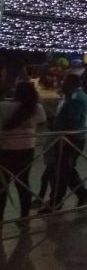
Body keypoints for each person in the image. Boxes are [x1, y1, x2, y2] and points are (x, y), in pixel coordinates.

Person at [41, 74, 87, 213]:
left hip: (70, 138)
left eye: (64, 81)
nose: (62, 84)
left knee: (62, 170)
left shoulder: (76, 98)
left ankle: (57, 201)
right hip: (69, 137)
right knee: (65, 169)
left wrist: (57, 127)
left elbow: (71, 119)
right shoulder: (73, 95)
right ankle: (80, 194)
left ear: (70, 83)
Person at [0, 82, 46, 223]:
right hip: (27, 149)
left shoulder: (4, 106)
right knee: (23, 183)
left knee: (2, 185)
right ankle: (25, 217)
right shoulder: (37, 107)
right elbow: (42, 123)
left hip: (6, 149)